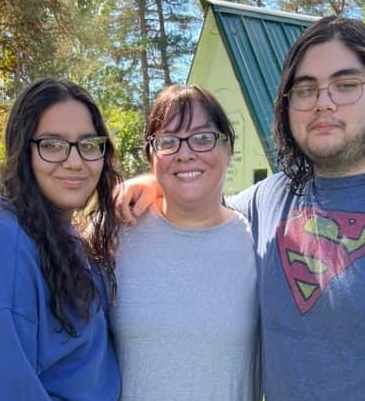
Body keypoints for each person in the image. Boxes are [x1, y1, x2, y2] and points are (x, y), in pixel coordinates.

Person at [117, 17, 365, 400]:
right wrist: (154, 182)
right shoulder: (269, 199)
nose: (323, 103)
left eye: (345, 85)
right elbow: (201, 206)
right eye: (305, 90)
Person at [0, 78, 122, 400]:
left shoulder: (59, 232)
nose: (74, 162)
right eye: (52, 145)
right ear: (22, 152)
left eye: (88, 145)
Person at [109, 85, 260, 400]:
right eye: (168, 141)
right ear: (151, 157)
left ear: (230, 149)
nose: (185, 153)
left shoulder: (255, 241)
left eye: (203, 138)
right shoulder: (117, 235)